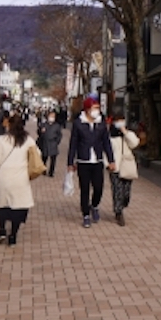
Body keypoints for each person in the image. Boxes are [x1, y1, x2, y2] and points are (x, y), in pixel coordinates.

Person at [0, 118, 35, 246]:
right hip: (20, 180)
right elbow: (36, 155)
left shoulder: (1, 140)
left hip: (3, 179)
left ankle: (1, 230)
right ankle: (13, 236)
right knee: (18, 208)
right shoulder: (28, 140)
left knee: (2, 205)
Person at [67, 96, 116, 228]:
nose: (97, 111)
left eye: (98, 108)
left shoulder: (101, 123)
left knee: (99, 187)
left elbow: (106, 142)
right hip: (83, 160)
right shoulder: (78, 123)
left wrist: (111, 160)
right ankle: (86, 215)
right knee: (84, 189)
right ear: (88, 109)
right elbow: (73, 144)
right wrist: (70, 162)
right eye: (95, 108)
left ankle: (94, 206)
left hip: (98, 160)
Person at [108, 113, 139, 227]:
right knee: (117, 191)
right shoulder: (110, 137)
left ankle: (123, 204)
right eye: (118, 121)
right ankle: (118, 212)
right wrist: (107, 164)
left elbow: (135, 143)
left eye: (122, 120)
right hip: (115, 167)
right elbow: (106, 151)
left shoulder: (129, 134)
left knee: (126, 193)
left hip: (127, 166)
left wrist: (125, 132)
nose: (120, 123)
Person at [40, 111, 63, 177]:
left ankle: (51, 172)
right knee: (44, 158)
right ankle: (43, 170)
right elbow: (39, 133)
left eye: (53, 116)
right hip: (45, 143)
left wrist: (57, 142)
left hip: (53, 144)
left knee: (53, 159)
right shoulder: (44, 124)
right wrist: (41, 131)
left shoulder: (57, 126)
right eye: (50, 116)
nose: (51, 118)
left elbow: (59, 135)